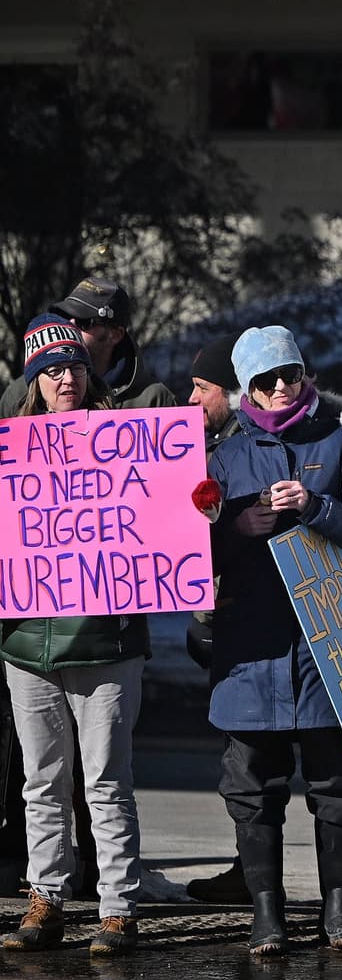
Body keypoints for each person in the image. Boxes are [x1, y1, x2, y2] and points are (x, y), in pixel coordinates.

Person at [206, 326, 342, 955]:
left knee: (339, 788)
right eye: (265, 379)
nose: (281, 386)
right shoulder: (224, 457)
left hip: (331, 649)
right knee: (251, 790)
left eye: (290, 373)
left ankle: (339, 909)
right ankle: (267, 913)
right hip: (249, 650)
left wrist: (316, 506)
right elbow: (184, 551)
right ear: (246, 389)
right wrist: (238, 526)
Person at [0, 316, 150, 956]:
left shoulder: (129, 442)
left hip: (106, 641)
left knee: (106, 781)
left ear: (91, 374)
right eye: (53, 370)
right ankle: (47, 898)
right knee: (42, 780)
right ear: (35, 379)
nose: (66, 378)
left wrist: (198, 504)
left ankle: (118, 907)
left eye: (75, 367)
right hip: (26, 642)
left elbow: (167, 518)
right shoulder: (11, 449)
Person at [182, 333, 250, 907]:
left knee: (260, 762)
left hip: (266, 627)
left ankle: (261, 875)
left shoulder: (246, 446)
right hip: (221, 620)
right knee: (242, 760)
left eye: (201, 389)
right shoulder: (204, 445)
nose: (192, 399)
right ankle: (248, 865)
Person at [0, 276, 176, 414]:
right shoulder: (18, 395)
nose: (70, 325)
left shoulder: (152, 400)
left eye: (84, 322)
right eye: (65, 316)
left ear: (115, 334)